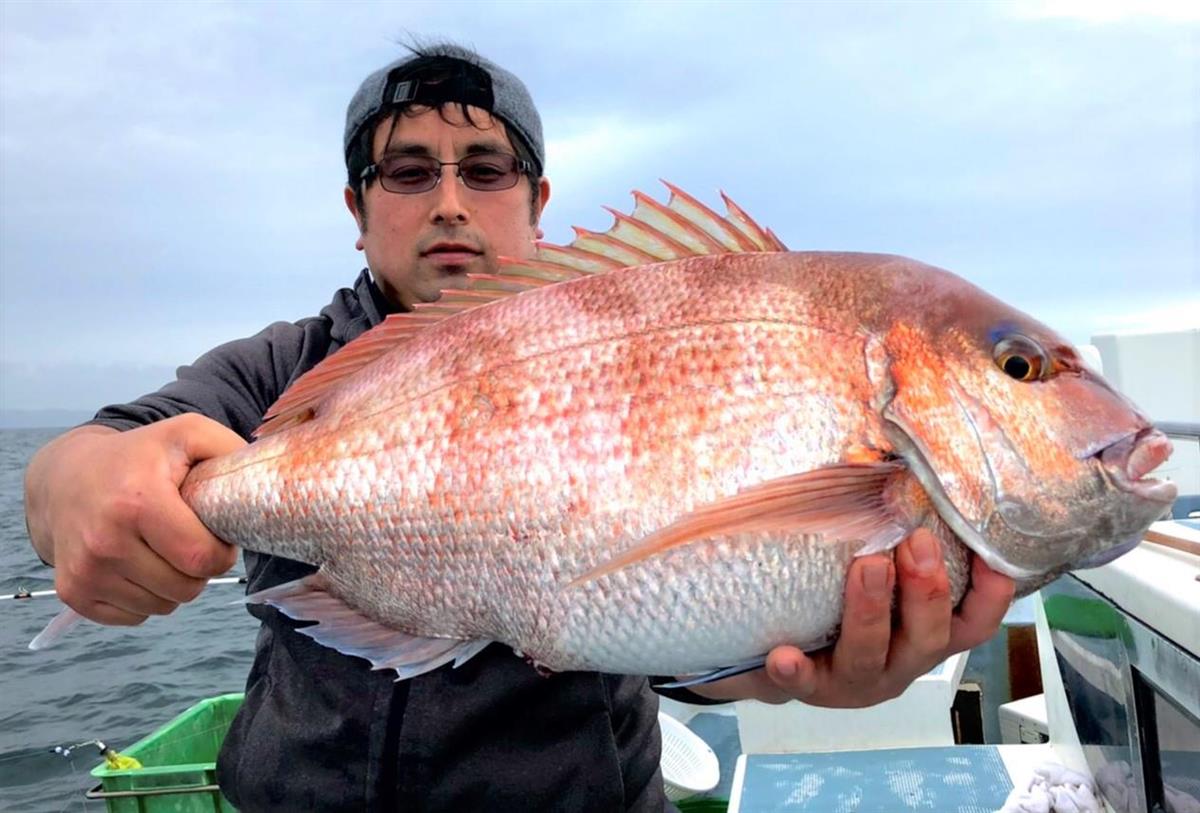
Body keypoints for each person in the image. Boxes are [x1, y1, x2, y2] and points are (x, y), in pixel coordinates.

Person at [23, 42, 1016, 811]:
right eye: (407, 173)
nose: (449, 202)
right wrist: (79, 488)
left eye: (486, 169)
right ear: (357, 211)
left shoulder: (633, 334)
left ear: (537, 203)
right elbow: (100, 452)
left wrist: (785, 666)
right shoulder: (284, 368)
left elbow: (677, 611)